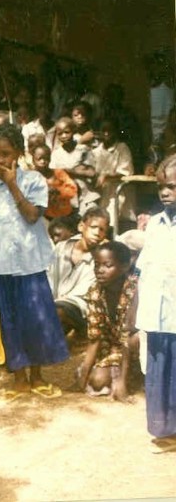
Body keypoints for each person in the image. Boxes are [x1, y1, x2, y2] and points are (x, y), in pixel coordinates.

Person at [0, 125, 70, 403]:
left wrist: (13, 183)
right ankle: (19, 380)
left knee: (35, 319)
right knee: (10, 323)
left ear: (18, 153)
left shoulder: (34, 181)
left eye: (6, 153)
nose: (1, 160)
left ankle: (37, 377)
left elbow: (31, 216)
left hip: (29, 264)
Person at [136, 155, 176, 452]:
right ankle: (165, 429)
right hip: (158, 313)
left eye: (172, 187)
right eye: (162, 186)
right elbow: (144, 269)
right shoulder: (156, 225)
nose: (165, 192)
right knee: (161, 367)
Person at [73, 241, 137, 400]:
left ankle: (130, 376)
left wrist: (121, 382)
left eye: (107, 265)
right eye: (96, 265)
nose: (100, 270)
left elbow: (128, 337)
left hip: (136, 345)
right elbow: (95, 337)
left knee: (136, 339)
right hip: (115, 347)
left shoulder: (134, 290)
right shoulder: (95, 292)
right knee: (97, 381)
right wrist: (84, 376)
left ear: (124, 266)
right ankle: (126, 374)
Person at [48, 207, 110, 338]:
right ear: (81, 226)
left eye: (102, 230)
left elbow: (83, 296)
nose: (97, 232)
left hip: (81, 309)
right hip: (54, 301)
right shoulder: (61, 248)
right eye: (93, 227)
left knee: (56, 313)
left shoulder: (102, 258)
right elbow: (49, 277)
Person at [31, 144, 77, 220]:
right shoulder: (31, 178)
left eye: (46, 158)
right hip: (46, 216)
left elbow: (72, 189)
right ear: (33, 159)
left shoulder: (58, 173)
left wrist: (59, 191)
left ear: (50, 159)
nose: (43, 161)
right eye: (39, 159)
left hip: (65, 213)